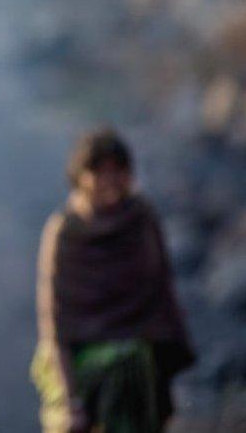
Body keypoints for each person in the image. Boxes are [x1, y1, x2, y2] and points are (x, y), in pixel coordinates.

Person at [31, 128, 195, 433]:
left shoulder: (141, 217)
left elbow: (161, 289)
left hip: (141, 349)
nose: (110, 181)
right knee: (124, 366)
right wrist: (71, 402)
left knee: (133, 363)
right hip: (74, 360)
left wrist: (171, 350)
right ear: (79, 177)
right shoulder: (64, 232)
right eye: (99, 172)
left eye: (119, 171)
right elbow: (53, 322)